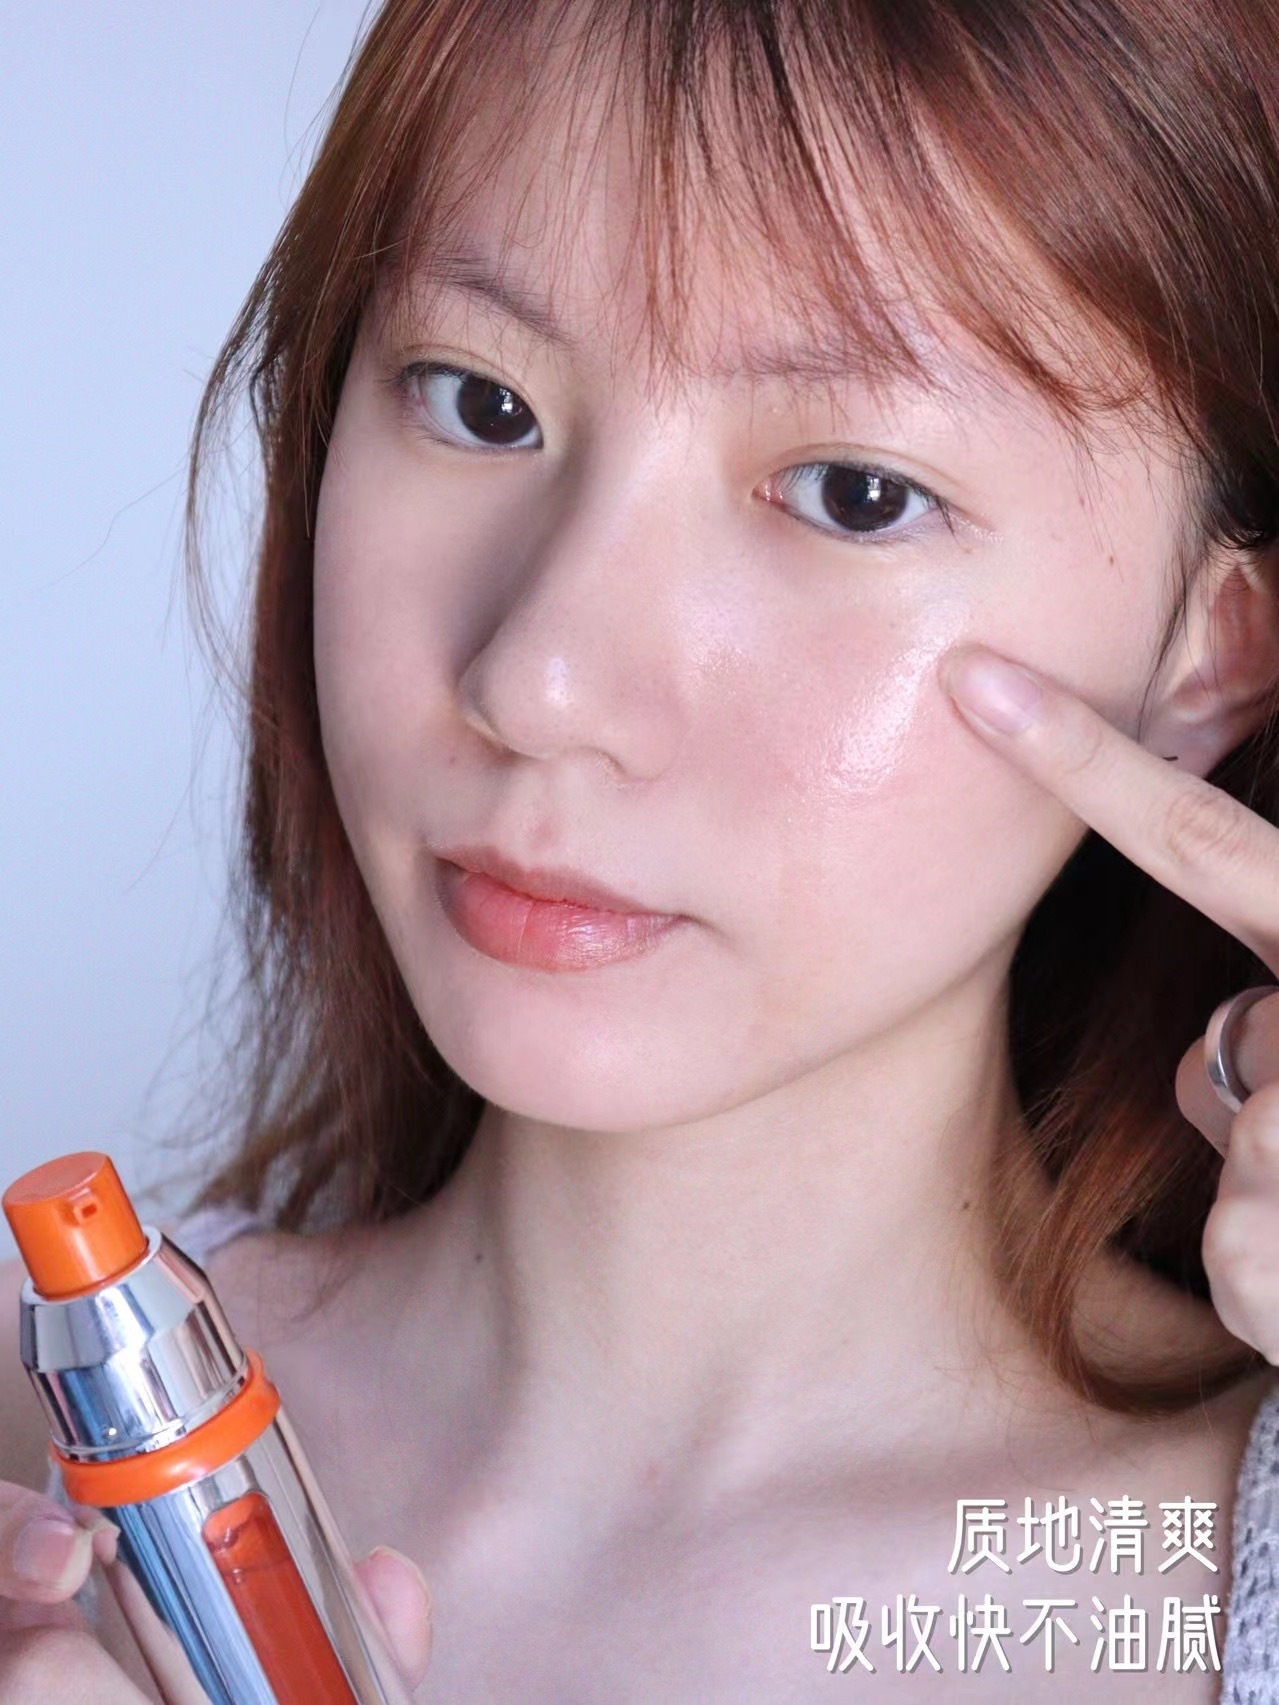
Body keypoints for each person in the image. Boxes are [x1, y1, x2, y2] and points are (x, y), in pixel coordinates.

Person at [2, 0, 1278, 1696]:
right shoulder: (33, 1483)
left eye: (854, 495)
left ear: (1213, 653)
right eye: (478, 401)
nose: (536, 679)